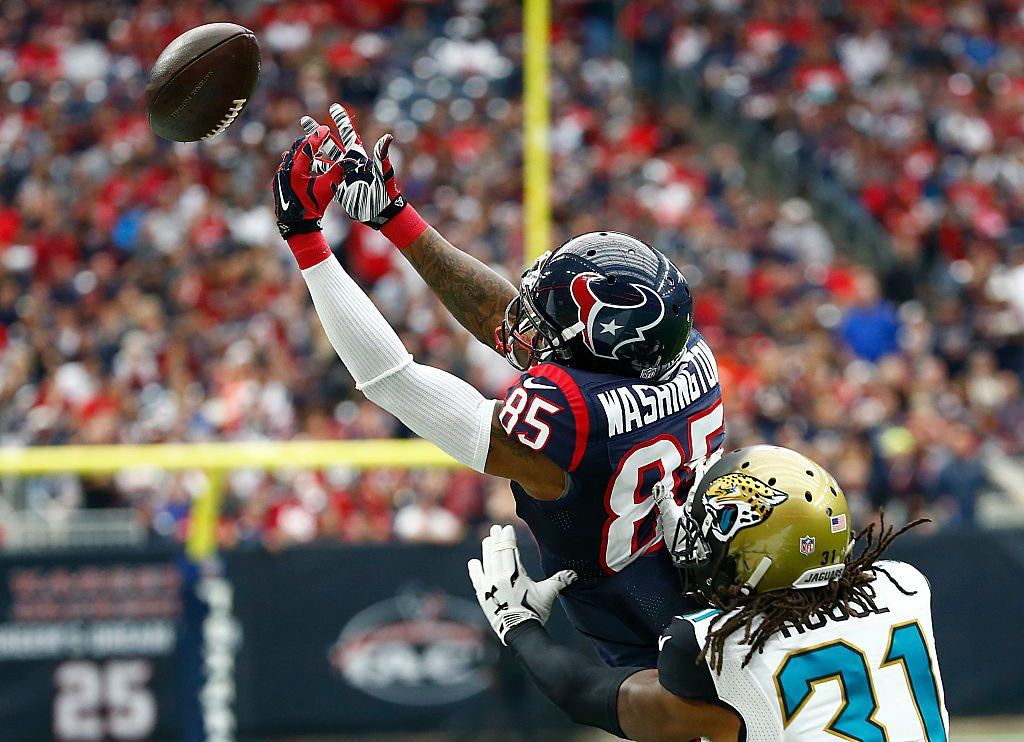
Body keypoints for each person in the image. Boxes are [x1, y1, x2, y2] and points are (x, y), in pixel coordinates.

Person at [273, 103, 724, 667]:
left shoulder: (571, 415)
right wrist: (394, 215)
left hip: (649, 652)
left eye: (551, 320)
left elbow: (393, 381)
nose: (530, 323)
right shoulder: (683, 351)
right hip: (709, 610)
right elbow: (509, 324)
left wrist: (305, 241)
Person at [468, 445, 948, 741]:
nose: (695, 546)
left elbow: (590, 695)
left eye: (711, 532)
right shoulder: (901, 586)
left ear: (758, 554)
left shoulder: (718, 647)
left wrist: (518, 625)